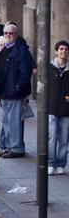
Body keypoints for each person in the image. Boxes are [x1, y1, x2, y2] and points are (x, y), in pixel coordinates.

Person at [0, 22, 35, 158]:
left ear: (16, 34)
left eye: (11, 33)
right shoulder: (3, 48)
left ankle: (16, 148)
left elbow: (26, 71)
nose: (8, 35)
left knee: (14, 121)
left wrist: (18, 87)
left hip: (15, 92)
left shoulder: (21, 50)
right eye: (6, 33)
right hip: (4, 91)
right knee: (6, 121)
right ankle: (5, 146)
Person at [47, 41, 69, 176]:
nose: (64, 51)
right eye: (61, 49)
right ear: (56, 51)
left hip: (66, 109)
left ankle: (61, 163)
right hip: (52, 108)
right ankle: (50, 162)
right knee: (52, 136)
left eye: (66, 49)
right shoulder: (49, 68)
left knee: (64, 138)